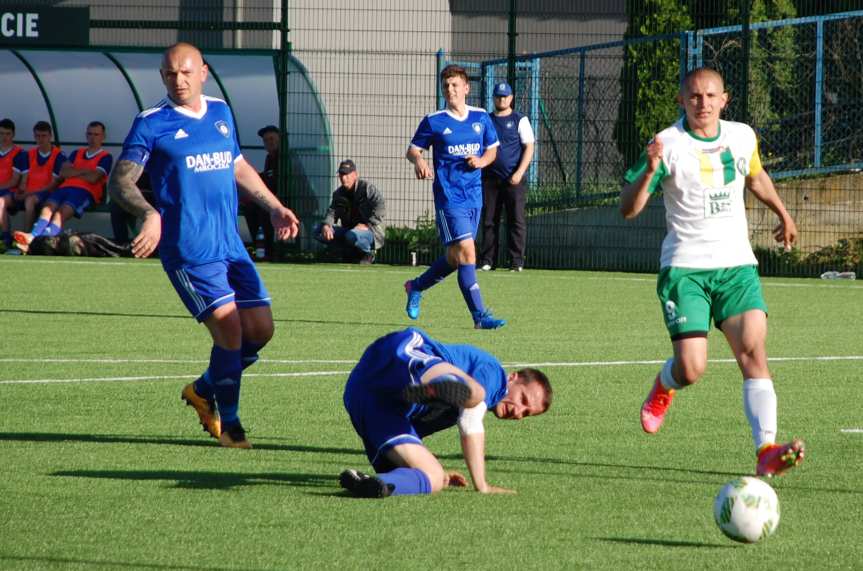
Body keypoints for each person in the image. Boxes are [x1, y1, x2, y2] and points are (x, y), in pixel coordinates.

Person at [107, 42, 300, 449]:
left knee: (260, 331)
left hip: (230, 245)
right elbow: (120, 181)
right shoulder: (151, 123)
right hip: (189, 250)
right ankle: (230, 426)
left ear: (204, 72)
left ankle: (202, 388)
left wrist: (276, 207)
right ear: (162, 77)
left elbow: (237, 166)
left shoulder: (220, 112)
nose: (178, 80)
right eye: (170, 74)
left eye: (186, 72)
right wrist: (149, 213)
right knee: (229, 330)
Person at [620, 67, 805, 477]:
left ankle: (766, 450)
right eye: (694, 97)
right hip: (685, 270)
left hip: (736, 266)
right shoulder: (665, 144)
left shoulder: (741, 135)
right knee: (692, 368)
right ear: (681, 101)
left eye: (710, 96)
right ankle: (664, 385)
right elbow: (628, 209)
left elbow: (755, 176)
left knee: (754, 351)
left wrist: (783, 213)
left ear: (725, 99)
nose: (702, 103)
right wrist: (650, 171)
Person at [339, 327, 552, 498]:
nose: (519, 411)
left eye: (526, 414)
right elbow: (470, 421)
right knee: (476, 395)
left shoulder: (447, 414)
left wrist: (439, 474)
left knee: (432, 477)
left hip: (368, 397)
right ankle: (436, 383)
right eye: (523, 399)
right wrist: (482, 485)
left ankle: (372, 486)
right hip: (401, 356)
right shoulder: (494, 373)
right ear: (513, 377)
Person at [404, 64, 505, 329]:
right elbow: (413, 150)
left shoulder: (481, 118)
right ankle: (480, 316)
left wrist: (481, 161)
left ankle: (416, 286)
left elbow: (492, 150)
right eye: (446, 86)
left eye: (455, 85)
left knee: (454, 258)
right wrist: (420, 162)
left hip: (474, 197)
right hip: (449, 198)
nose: (450, 90)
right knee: (468, 252)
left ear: (466, 88)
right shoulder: (434, 120)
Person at [13, 121, 112, 252]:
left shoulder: (105, 156)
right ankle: (32, 237)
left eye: (96, 134)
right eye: (89, 134)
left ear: (103, 136)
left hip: (85, 192)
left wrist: (75, 172)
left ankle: (33, 242)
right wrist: (85, 171)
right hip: (64, 188)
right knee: (47, 209)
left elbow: (94, 178)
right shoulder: (77, 153)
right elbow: (64, 173)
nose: (92, 137)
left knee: (60, 214)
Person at [479, 82, 535, 272]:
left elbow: (529, 147)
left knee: (516, 220)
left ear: (511, 98)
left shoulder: (520, 119)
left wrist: (519, 173)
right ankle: (487, 261)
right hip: (490, 179)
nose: (501, 99)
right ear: (493, 98)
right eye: (498, 96)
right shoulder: (486, 120)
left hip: (513, 179)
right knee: (488, 220)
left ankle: (516, 262)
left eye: (505, 96)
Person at [313, 159, 385, 264]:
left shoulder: (367, 188)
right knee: (317, 230)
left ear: (355, 174)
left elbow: (380, 206)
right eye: (341, 174)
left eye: (347, 174)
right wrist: (327, 225)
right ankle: (345, 252)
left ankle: (368, 253)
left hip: (370, 232)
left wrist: (367, 225)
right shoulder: (338, 194)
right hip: (348, 230)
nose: (343, 177)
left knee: (351, 235)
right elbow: (332, 212)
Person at [9, 122, 65, 248]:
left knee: (30, 201)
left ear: (50, 136)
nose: (41, 139)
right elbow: (24, 179)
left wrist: (28, 194)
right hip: (30, 193)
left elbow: (53, 185)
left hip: (48, 194)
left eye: (44, 136)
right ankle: (7, 238)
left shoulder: (59, 156)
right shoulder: (28, 155)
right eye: (38, 136)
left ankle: (27, 238)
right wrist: (20, 190)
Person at [241, 124, 278, 260]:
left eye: (272, 139)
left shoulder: (285, 157)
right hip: (271, 199)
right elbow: (267, 178)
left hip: (284, 199)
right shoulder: (269, 158)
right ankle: (259, 246)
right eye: (266, 140)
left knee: (264, 210)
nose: (270, 142)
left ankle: (269, 250)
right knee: (249, 207)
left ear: (279, 140)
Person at [0, 118, 28, 249]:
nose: (4, 137)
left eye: (7, 134)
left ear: (13, 134)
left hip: (12, 193)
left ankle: (5, 239)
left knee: (0, 202)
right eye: (1, 133)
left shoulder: (20, 154)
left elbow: (14, 181)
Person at [110, 170, 156, 248]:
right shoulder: (134, 164)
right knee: (116, 208)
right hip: (133, 197)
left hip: (153, 196)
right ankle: (122, 244)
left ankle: (154, 246)